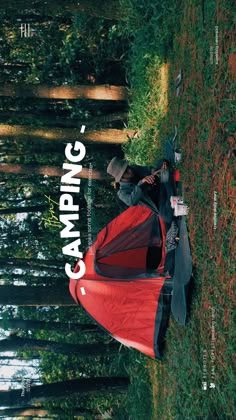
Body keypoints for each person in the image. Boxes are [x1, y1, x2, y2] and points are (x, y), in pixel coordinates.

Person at [107, 157, 175, 225]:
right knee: (167, 217)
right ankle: (169, 183)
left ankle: (170, 192)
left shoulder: (134, 169)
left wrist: (155, 172)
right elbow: (131, 201)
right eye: (126, 171)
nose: (130, 170)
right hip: (158, 202)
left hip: (160, 186)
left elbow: (149, 169)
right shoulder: (122, 193)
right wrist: (141, 183)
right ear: (121, 177)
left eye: (128, 167)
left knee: (162, 162)